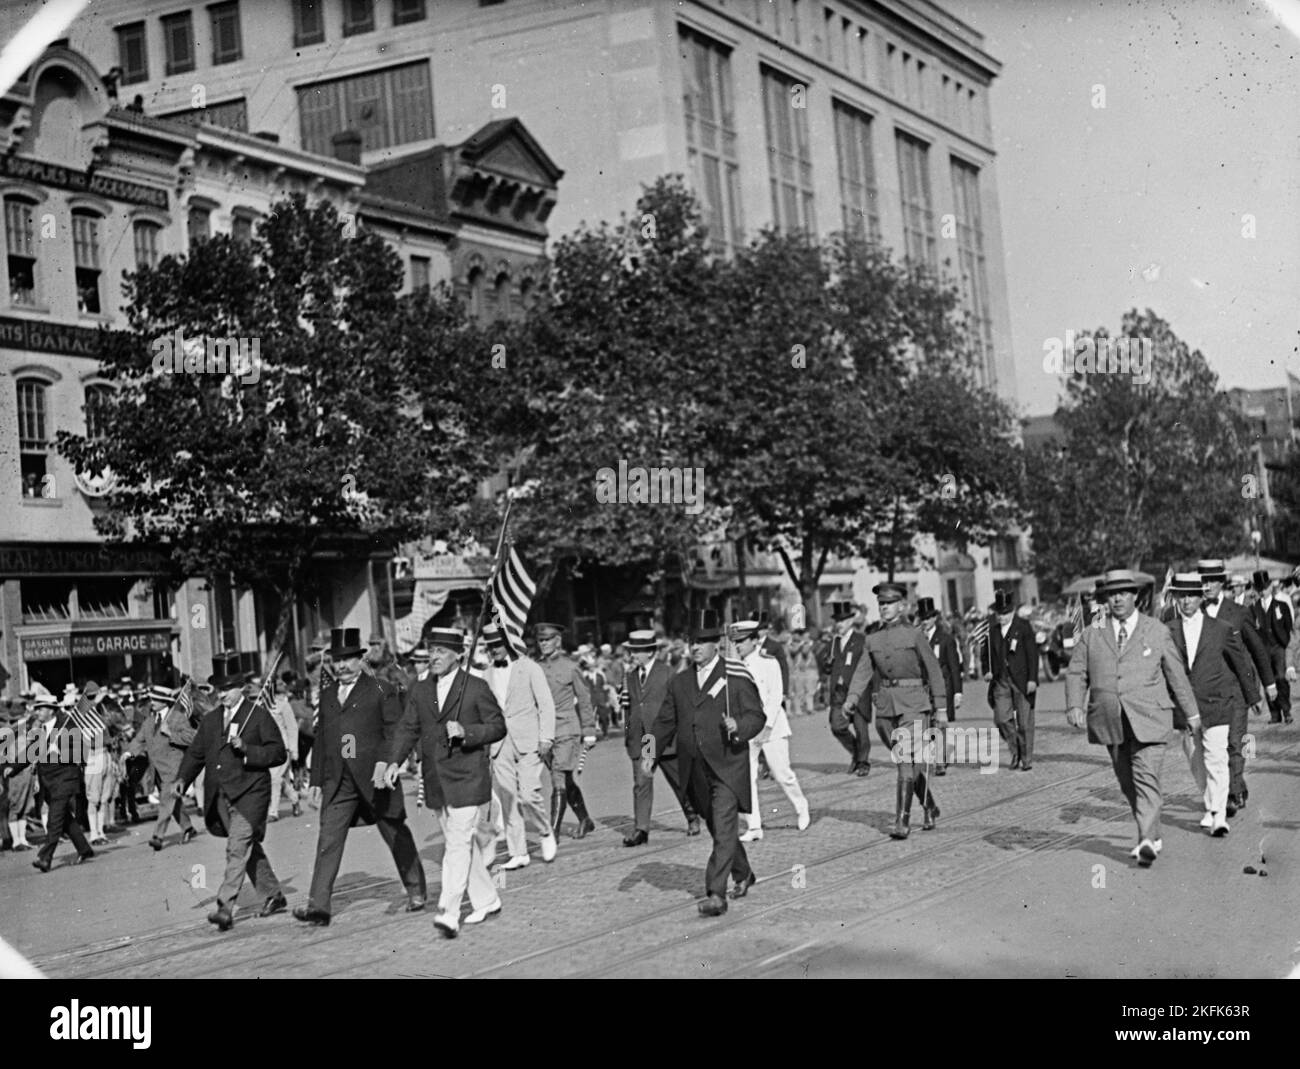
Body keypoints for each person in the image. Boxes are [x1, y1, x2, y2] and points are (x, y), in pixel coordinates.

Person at [1065, 569, 1200, 867]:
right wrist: (1075, 703)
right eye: (1112, 594)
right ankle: (1152, 829)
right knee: (1127, 782)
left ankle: (1146, 841)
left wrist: (1191, 713)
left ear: (1136, 596)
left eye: (1124, 593)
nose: (1117, 599)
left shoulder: (1155, 630)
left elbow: (1176, 675)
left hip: (1151, 718)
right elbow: (1077, 671)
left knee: (1146, 777)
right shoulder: (1093, 631)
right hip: (1111, 720)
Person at [293, 628, 426, 926]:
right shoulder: (326, 695)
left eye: (347, 660)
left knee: (394, 831)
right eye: (336, 660)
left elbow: (394, 732)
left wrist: (386, 763)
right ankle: (319, 905)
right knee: (328, 838)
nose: (341, 666)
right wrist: (315, 781)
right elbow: (322, 739)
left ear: (359, 659)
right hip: (339, 781)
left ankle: (416, 890)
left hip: (375, 777)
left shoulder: (381, 689)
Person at [384, 627, 506, 938]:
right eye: (431, 650)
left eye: (441, 651)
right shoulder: (421, 690)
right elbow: (407, 728)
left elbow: (497, 725)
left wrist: (468, 733)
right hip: (437, 779)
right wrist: (393, 761)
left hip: (467, 776)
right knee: (462, 842)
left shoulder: (475, 687)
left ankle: (449, 912)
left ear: (458, 655)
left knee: (456, 842)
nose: (433, 657)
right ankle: (487, 899)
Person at [646, 610, 765, 917]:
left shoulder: (735, 675)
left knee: (724, 825)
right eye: (692, 642)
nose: (695, 647)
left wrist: (739, 724)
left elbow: (757, 716)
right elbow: (663, 723)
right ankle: (744, 872)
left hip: (727, 764)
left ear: (716, 644)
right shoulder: (680, 681)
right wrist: (649, 755)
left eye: (701, 642)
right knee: (717, 827)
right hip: (695, 769)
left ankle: (715, 893)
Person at [176, 654, 287, 931]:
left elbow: (278, 753)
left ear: (241, 688)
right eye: (219, 689)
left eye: (227, 689)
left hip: (252, 793)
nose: (222, 695)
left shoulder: (258, 716)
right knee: (247, 847)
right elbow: (196, 754)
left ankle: (225, 908)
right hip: (223, 796)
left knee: (236, 847)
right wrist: (182, 779)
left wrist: (248, 750)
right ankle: (274, 895)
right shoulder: (212, 721)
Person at [843, 583, 947, 839]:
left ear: (901, 606)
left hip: (913, 705)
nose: (884, 608)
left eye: (889, 603)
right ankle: (930, 806)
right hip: (887, 708)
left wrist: (941, 707)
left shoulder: (914, 635)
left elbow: (933, 670)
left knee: (903, 762)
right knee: (909, 762)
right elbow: (863, 671)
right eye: (881, 604)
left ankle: (902, 822)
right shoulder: (873, 639)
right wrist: (852, 699)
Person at [1166, 573, 1258, 837]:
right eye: (1181, 597)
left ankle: (1217, 814)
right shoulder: (1168, 630)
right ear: (1176, 598)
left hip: (1217, 703)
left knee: (1217, 757)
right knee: (1195, 759)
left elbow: (1240, 663)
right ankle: (1211, 802)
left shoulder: (1220, 629)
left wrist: (1252, 696)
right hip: (1186, 708)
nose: (1186, 602)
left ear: (1200, 598)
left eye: (1191, 596)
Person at [1198, 558, 1275, 815]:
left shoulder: (1239, 613)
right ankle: (1236, 786)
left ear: (1221, 583)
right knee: (1213, 747)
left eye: (1211, 581)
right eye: (1203, 580)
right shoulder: (1194, 613)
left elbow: (1258, 652)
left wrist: (1268, 685)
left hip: (1237, 691)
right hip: (1208, 695)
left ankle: (1232, 791)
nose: (1206, 585)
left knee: (1237, 741)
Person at [482, 621, 559, 870]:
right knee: (508, 797)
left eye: (497, 644)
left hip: (529, 740)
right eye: (489, 645)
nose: (493, 650)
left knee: (528, 793)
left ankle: (545, 831)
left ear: (507, 643)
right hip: (499, 743)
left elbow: (546, 703)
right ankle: (518, 852)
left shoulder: (529, 667)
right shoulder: (486, 674)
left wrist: (546, 737)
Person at [731, 620, 809, 841]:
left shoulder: (768, 662)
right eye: (735, 642)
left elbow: (776, 696)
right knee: (746, 777)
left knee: (781, 773)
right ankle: (754, 825)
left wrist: (767, 727)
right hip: (747, 729)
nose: (738, 646)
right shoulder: (734, 667)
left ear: (754, 641)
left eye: (742, 641)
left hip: (771, 726)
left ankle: (800, 805)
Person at [621, 630, 699, 846]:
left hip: (666, 737)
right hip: (644, 740)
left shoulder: (668, 673)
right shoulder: (629, 676)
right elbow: (628, 709)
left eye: (636, 651)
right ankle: (641, 830)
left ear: (648, 651)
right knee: (642, 783)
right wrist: (628, 732)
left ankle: (692, 816)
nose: (633, 655)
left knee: (679, 781)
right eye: (632, 651)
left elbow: (680, 706)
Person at [535, 622, 598, 838]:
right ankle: (585, 820)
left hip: (567, 729)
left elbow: (584, 699)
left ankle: (553, 834)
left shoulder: (570, 667)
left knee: (558, 778)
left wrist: (589, 729)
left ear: (557, 641)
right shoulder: (536, 668)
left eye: (548, 640)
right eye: (540, 640)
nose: (543, 644)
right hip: (545, 734)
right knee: (566, 779)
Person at [24, 694, 94, 872]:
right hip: (48, 783)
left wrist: (60, 751)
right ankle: (84, 849)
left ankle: (45, 858)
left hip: (64, 780)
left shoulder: (68, 726)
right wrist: (12, 768)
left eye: (41, 708)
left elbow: (81, 751)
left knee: (54, 820)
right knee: (65, 820)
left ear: (51, 710)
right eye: (36, 709)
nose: (37, 712)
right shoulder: (40, 731)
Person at [126, 684, 197, 851]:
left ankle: (158, 836)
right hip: (156, 771)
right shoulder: (149, 721)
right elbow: (139, 740)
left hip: (173, 768)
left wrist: (171, 734)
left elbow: (191, 738)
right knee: (173, 801)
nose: (152, 702)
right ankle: (188, 828)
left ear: (165, 701)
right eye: (151, 699)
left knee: (166, 801)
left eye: (155, 699)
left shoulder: (177, 717)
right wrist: (130, 753)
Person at [982, 589, 1039, 771]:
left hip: (1022, 681)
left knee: (1024, 722)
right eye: (999, 614)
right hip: (1001, 680)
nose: (1002, 617)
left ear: (1012, 612)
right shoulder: (992, 632)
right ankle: (1015, 750)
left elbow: (1032, 655)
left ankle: (1026, 759)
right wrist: (987, 671)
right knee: (1001, 719)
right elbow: (986, 656)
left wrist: (1032, 679)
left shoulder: (1023, 627)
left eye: (1005, 613)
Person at [825, 600, 872, 776]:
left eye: (843, 621)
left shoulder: (862, 640)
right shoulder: (833, 642)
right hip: (838, 693)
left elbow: (869, 667)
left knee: (861, 729)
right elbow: (828, 667)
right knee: (837, 726)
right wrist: (827, 665)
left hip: (858, 692)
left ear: (851, 621)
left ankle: (863, 762)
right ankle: (856, 752)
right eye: (837, 621)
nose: (839, 625)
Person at [917, 598, 963, 775]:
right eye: (922, 618)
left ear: (934, 618)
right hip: (924, 689)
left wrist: (958, 692)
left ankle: (940, 760)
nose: (925, 622)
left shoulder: (945, 639)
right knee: (927, 725)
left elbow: (954, 667)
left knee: (940, 723)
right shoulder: (918, 639)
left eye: (928, 618)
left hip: (943, 687)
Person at [1248, 570, 1293, 724]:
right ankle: (1275, 713)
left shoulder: (1281, 605)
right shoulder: (1253, 609)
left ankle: (1286, 710)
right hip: (1263, 649)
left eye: (1265, 588)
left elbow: (1288, 626)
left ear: (1269, 588)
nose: (1262, 592)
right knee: (1268, 680)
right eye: (1259, 589)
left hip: (1278, 647)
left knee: (1280, 678)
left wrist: (1284, 642)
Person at [266, 675, 301, 821]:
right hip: (267, 749)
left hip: (282, 748)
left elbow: (292, 727)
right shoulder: (262, 706)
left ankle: (273, 812)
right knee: (278, 779)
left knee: (275, 778)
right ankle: (295, 798)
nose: (282, 685)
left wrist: (294, 749)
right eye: (278, 683)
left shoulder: (283, 705)